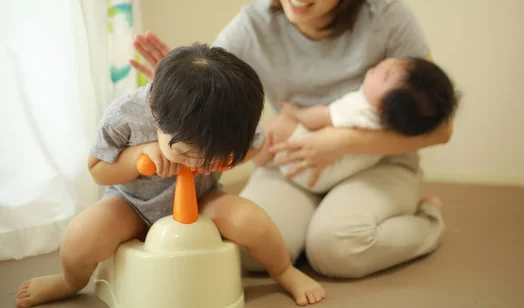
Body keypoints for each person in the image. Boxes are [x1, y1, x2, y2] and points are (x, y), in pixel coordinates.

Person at [130, 0, 454, 279]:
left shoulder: (388, 17)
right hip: (292, 160)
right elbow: (212, 94)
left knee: (335, 250)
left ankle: (427, 220)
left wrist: (337, 141)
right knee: (251, 252)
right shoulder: (253, 26)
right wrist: (181, 85)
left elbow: (441, 128)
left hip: (378, 161)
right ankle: (313, 221)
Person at [15, 43, 326, 308]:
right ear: (154, 110)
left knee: (251, 220)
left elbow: (254, 147)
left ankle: (283, 270)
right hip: (132, 203)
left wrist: (227, 161)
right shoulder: (125, 115)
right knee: (83, 234)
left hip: (204, 198)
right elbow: (98, 170)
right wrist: (139, 157)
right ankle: (70, 281)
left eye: (211, 155)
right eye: (190, 153)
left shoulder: (231, 117)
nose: (201, 162)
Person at [253, 57, 460, 193]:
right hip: (333, 171)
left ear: (382, 108)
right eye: (392, 61)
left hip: (319, 171)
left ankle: (257, 160)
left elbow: (320, 117)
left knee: (277, 126)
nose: (383, 64)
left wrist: (295, 112)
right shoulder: (389, 123)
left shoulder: (360, 110)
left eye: (386, 75)